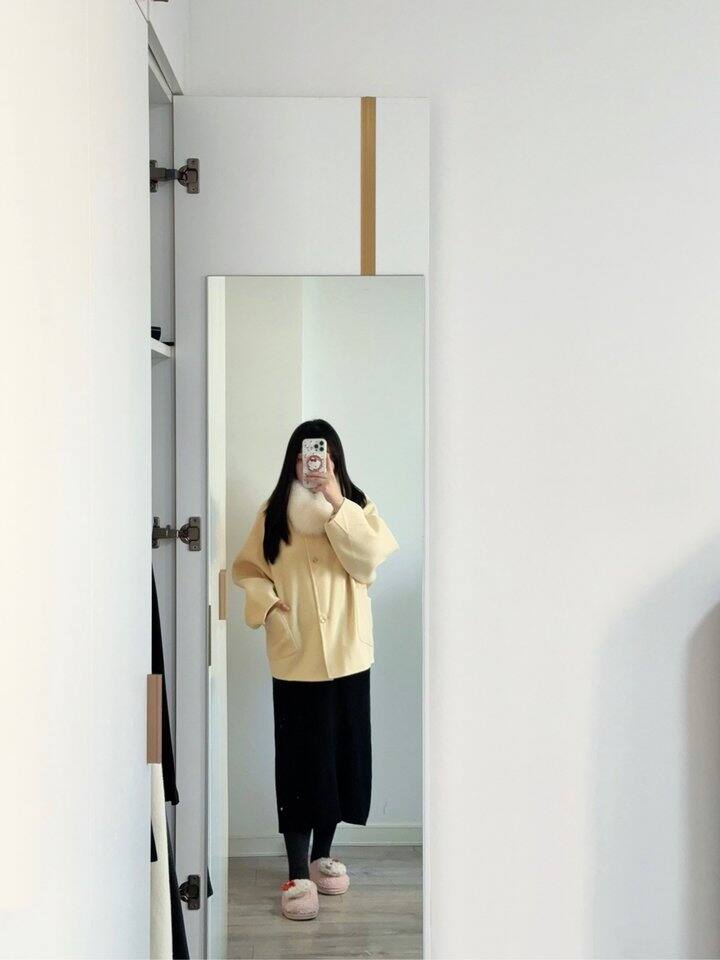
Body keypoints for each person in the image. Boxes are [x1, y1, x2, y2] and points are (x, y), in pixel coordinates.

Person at [232, 419, 399, 920]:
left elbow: (368, 562)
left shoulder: (355, 505)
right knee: (299, 764)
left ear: (333, 458)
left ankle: (323, 855)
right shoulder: (273, 514)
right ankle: (296, 872)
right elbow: (247, 570)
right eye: (306, 454)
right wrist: (269, 605)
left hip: (348, 655)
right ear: (294, 458)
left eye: (323, 455)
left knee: (341, 760)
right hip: (296, 655)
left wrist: (334, 499)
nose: (314, 462)